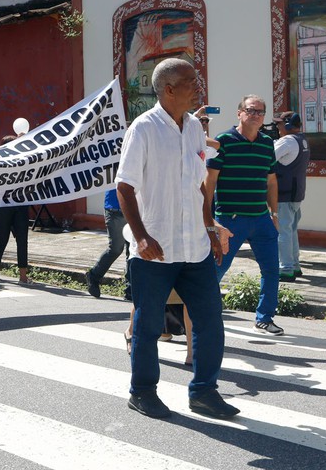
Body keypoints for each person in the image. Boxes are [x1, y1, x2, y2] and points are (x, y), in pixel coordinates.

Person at [116, 58, 237, 420]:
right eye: (189, 81)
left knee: (210, 319)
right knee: (149, 324)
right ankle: (142, 391)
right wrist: (140, 237)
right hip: (155, 249)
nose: (197, 86)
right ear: (168, 89)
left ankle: (204, 391)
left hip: (194, 247)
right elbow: (124, 187)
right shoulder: (143, 129)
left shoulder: (195, 130)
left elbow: (199, 186)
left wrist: (210, 228)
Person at [205, 95, 283, 336]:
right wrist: (208, 220)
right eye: (251, 110)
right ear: (239, 113)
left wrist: (275, 213)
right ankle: (200, 312)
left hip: (261, 218)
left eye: (260, 112)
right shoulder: (224, 141)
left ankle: (264, 318)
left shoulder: (267, 143)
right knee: (216, 269)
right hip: (230, 219)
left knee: (271, 270)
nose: (256, 115)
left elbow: (271, 181)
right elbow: (210, 182)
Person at [0, 135, 32, 285]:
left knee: (22, 239)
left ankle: (23, 276)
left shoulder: (23, 161)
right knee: (2, 239)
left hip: (20, 204)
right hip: (1, 206)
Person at [273, 112, 310, 281]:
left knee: (283, 231)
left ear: (288, 125)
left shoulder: (287, 141)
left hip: (285, 192)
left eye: (280, 124)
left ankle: (286, 267)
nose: (278, 127)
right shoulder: (301, 140)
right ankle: (295, 265)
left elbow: (269, 158)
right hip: (296, 192)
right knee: (292, 230)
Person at [86, 189, 131, 299]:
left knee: (133, 252)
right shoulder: (111, 171)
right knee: (115, 249)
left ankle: (130, 289)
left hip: (133, 210)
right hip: (114, 210)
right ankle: (94, 276)